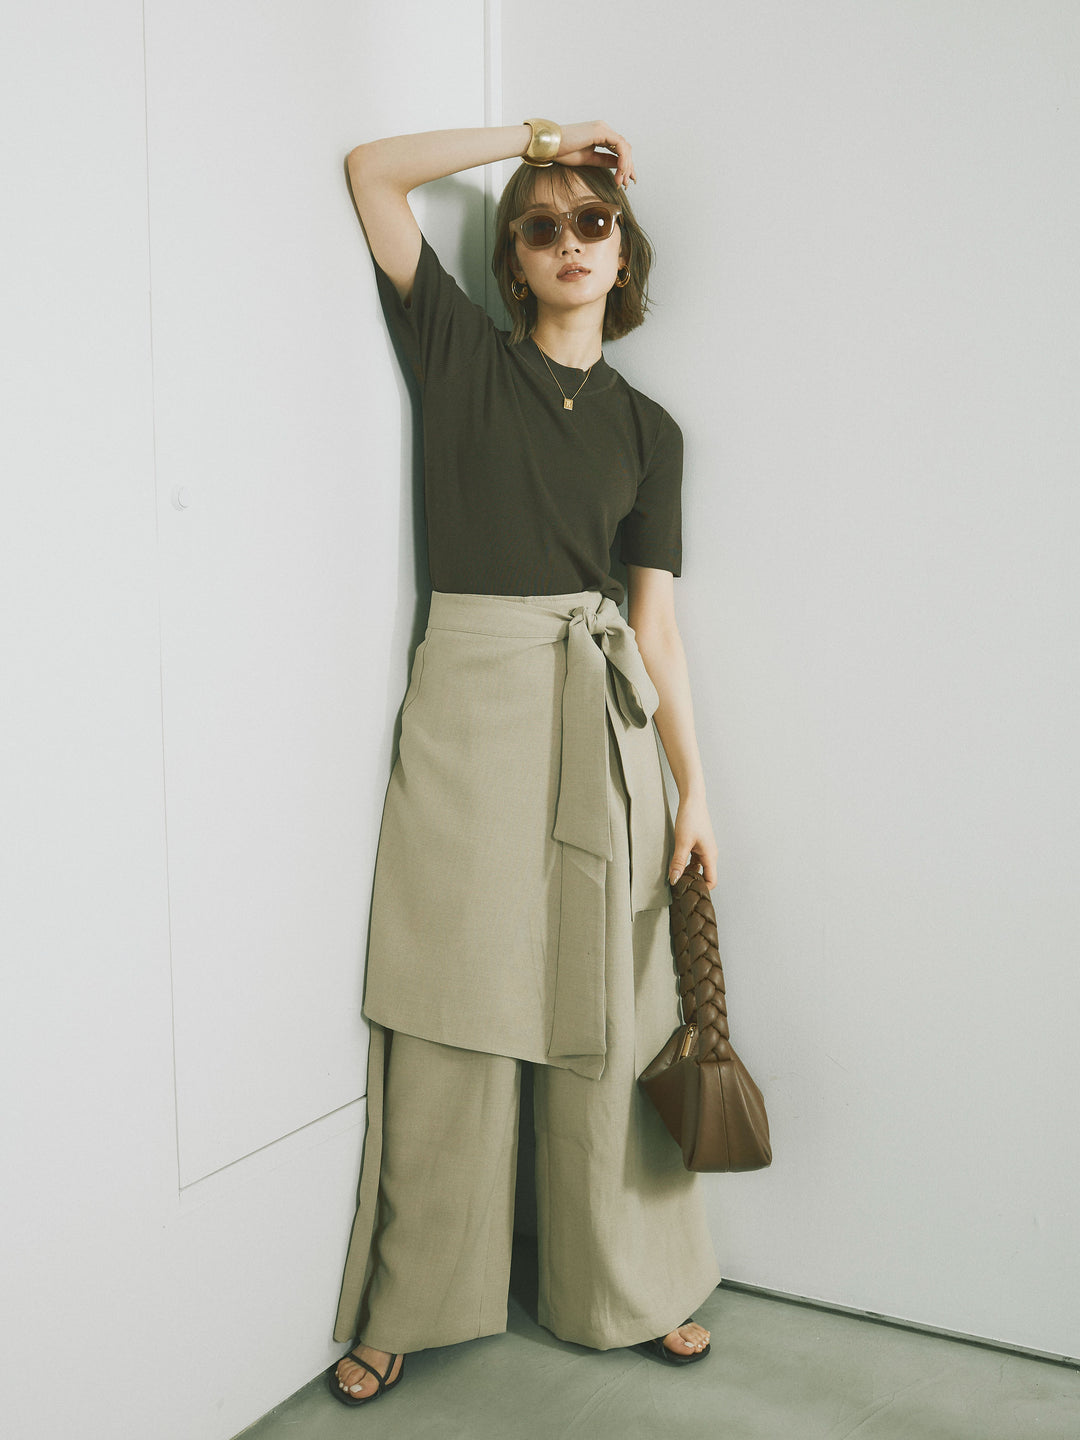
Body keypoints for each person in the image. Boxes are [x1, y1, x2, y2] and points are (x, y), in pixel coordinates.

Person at [329, 119, 722, 1407]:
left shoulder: (652, 431)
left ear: (624, 253)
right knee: (451, 994)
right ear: (513, 260)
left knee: (613, 1001)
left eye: (591, 222)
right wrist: (534, 135)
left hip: (601, 716)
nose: (569, 242)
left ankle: (633, 1284)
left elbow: (656, 629)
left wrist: (696, 791)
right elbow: (372, 174)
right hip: (471, 701)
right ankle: (411, 1299)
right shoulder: (459, 357)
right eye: (540, 226)